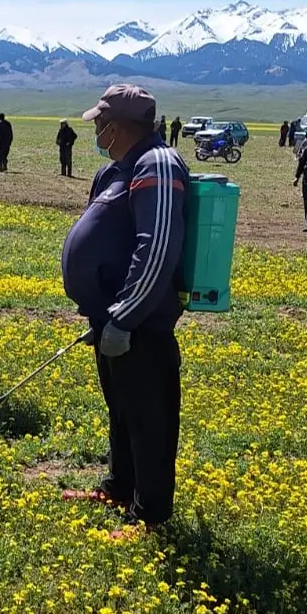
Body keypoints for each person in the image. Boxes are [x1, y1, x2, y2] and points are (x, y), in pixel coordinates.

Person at [60, 84, 188, 536]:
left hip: (140, 326)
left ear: (117, 126)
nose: (95, 128)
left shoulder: (158, 163)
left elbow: (156, 248)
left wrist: (126, 315)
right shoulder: (117, 168)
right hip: (111, 319)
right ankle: (120, 488)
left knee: (149, 418)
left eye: (100, 121)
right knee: (122, 408)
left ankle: (150, 515)